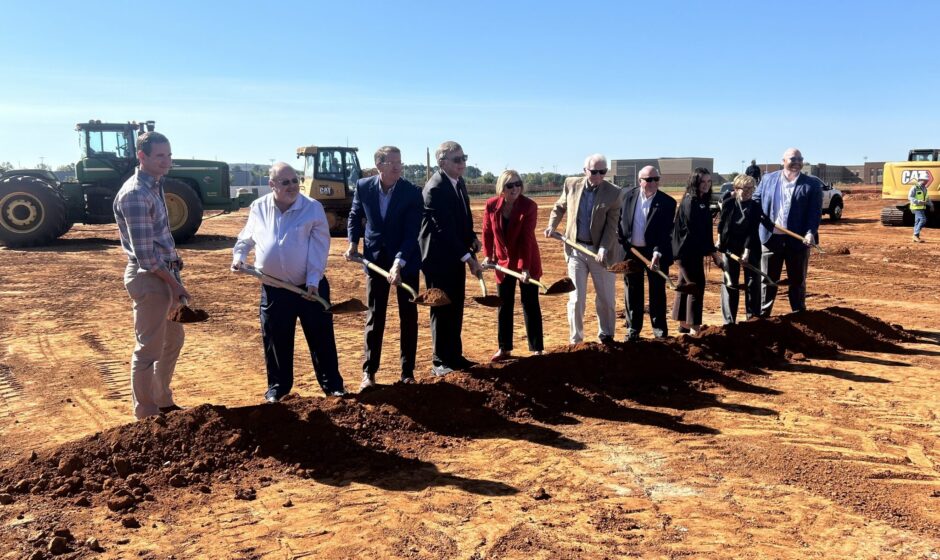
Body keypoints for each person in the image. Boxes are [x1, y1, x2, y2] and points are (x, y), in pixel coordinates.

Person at [232, 162, 346, 402]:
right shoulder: (259, 207)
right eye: (285, 182)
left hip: (309, 288)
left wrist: (313, 280)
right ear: (272, 184)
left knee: (321, 338)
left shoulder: (312, 208)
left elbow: (319, 247)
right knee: (276, 339)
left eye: (295, 180)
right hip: (274, 289)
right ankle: (277, 388)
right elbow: (247, 236)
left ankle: (333, 387)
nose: (292, 186)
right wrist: (239, 256)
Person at [113, 131, 188, 419]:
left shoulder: (154, 185)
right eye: (160, 156)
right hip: (151, 278)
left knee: (173, 340)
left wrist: (175, 275)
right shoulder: (135, 194)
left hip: (165, 274)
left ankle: (162, 401)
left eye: (169, 155)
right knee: (148, 350)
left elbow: (160, 240)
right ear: (141, 156)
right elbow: (146, 257)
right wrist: (175, 287)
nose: (166, 161)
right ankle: (145, 414)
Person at [345, 146, 422, 389]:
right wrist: (352, 244)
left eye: (400, 162)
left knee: (408, 317)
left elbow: (412, 234)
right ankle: (369, 373)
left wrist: (399, 263)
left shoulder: (411, 192)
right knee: (375, 317)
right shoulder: (363, 186)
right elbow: (355, 216)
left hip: (406, 261)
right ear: (379, 165)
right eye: (392, 163)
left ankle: (407, 373)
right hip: (375, 260)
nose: (398, 167)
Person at [418, 141, 483, 376]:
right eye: (457, 160)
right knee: (440, 306)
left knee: (455, 306)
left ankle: (454, 356)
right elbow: (443, 229)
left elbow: (462, 219)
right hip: (437, 258)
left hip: (455, 254)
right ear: (442, 162)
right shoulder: (435, 188)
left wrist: (472, 238)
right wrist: (469, 259)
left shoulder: (458, 182)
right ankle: (439, 361)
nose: (462, 163)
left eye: (464, 158)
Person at [544, 154, 622, 345]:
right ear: (584, 170)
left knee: (605, 298)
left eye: (603, 172)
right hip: (575, 249)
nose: (598, 176)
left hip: (600, 253)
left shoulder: (614, 192)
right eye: (594, 172)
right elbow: (560, 206)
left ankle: (606, 335)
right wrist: (552, 225)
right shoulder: (571, 184)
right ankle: (576, 340)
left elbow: (612, 225)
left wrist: (603, 247)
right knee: (577, 298)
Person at [752, 148, 823, 316]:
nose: (797, 161)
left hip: (798, 241)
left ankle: (799, 313)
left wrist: (810, 232)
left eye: (800, 158)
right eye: (793, 158)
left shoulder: (811, 184)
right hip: (771, 239)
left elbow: (815, 212)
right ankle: (763, 316)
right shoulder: (768, 179)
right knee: (768, 280)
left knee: (797, 281)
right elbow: (756, 201)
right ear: (783, 160)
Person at [482, 170, 544, 361]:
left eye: (518, 184)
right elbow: (487, 233)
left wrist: (525, 268)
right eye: (510, 185)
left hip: (527, 261)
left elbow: (527, 238)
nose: (515, 188)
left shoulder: (529, 206)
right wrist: (489, 257)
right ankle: (504, 348)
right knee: (504, 304)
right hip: (503, 263)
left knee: (530, 303)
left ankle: (537, 349)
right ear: (502, 187)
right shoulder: (492, 205)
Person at [618, 166, 676, 341]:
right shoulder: (627, 197)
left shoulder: (668, 202)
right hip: (632, 251)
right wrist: (621, 238)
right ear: (640, 181)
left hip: (655, 252)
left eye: (656, 179)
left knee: (657, 291)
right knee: (633, 290)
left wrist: (657, 253)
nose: (653, 183)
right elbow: (620, 220)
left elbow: (666, 233)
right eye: (649, 179)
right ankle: (633, 329)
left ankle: (659, 330)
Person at [672, 167, 723, 335]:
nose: (706, 185)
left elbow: (704, 231)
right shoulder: (691, 201)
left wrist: (710, 250)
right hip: (687, 252)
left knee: (686, 285)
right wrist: (714, 253)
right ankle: (695, 327)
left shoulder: (701, 201)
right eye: (702, 182)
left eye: (709, 182)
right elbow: (696, 232)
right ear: (695, 182)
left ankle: (684, 326)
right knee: (696, 287)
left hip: (691, 252)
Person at [717, 174, 770, 324]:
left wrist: (746, 252)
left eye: (751, 188)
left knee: (753, 282)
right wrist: (719, 240)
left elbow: (752, 231)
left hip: (750, 247)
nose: (748, 191)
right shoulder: (728, 203)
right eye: (744, 188)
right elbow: (722, 225)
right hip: (730, 248)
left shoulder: (755, 207)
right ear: (736, 189)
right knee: (730, 282)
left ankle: (752, 316)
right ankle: (729, 320)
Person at [909, 177, 933, 243]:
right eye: (925, 180)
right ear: (921, 180)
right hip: (916, 207)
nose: (926, 181)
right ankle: (915, 234)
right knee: (923, 219)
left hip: (921, 207)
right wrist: (919, 201)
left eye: (927, 180)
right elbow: (910, 197)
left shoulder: (924, 188)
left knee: (917, 221)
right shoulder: (914, 187)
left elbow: (927, 198)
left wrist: (931, 205)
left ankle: (916, 237)